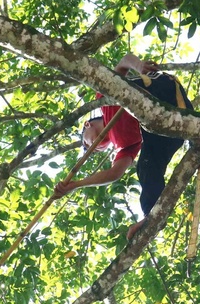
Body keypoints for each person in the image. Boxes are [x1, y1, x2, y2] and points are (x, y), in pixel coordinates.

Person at [53, 53, 190, 237]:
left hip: (159, 90)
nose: (93, 147)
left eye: (86, 142)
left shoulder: (104, 100)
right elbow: (114, 173)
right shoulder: (124, 145)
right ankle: (152, 216)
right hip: (172, 125)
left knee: (128, 89)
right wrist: (76, 184)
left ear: (87, 124)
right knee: (146, 166)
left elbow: (124, 61)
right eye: (93, 150)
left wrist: (139, 66)